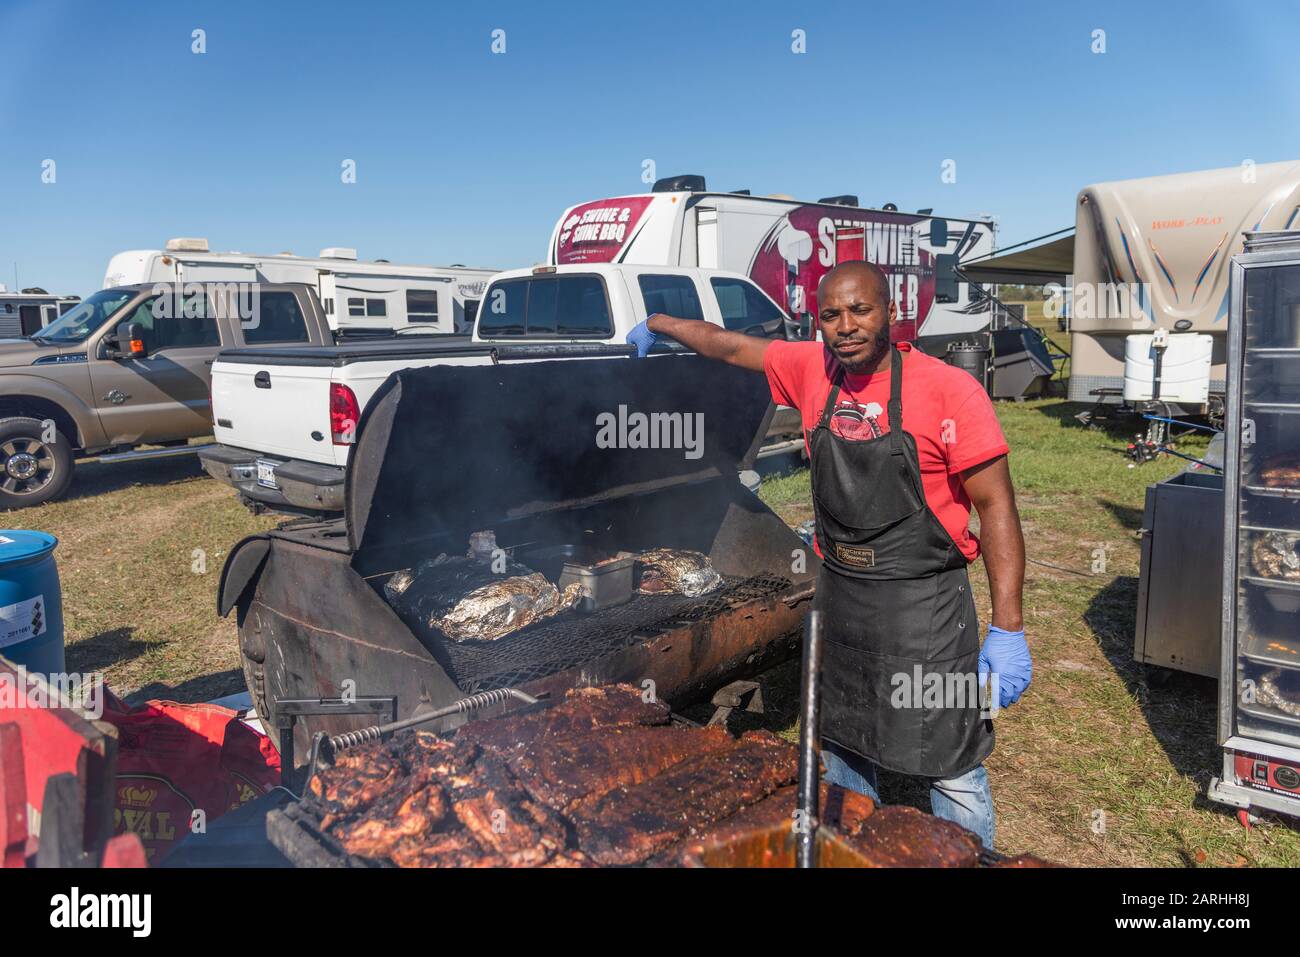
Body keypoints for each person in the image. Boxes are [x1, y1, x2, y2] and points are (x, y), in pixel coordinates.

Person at [625, 261, 1030, 848]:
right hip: (842, 596)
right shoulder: (810, 369)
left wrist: (1009, 628)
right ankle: (850, 851)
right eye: (831, 316)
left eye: (860, 310)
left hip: (925, 605)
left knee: (949, 757)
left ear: (892, 313)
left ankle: (968, 856)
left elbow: (996, 508)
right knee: (843, 742)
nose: (846, 326)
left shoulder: (949, 390)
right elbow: (729, 344)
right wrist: (659, 321)